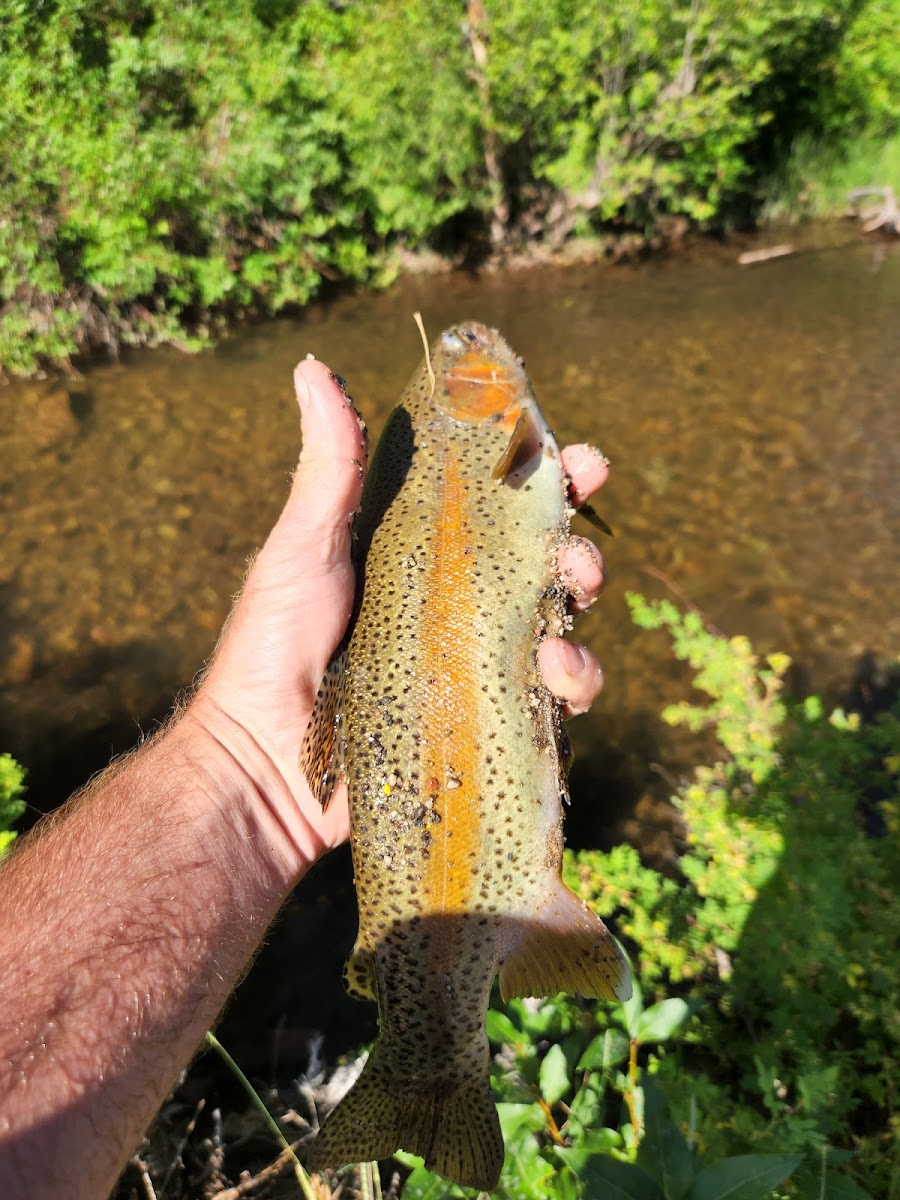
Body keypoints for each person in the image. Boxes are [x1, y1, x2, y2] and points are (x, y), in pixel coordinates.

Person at [0, 358, 611, 1199]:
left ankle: (431, 1052)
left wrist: (245, 763)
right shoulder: (506, 443)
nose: (471, 363)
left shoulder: (492, 449)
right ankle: (430, 1065)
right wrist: (247, 755)